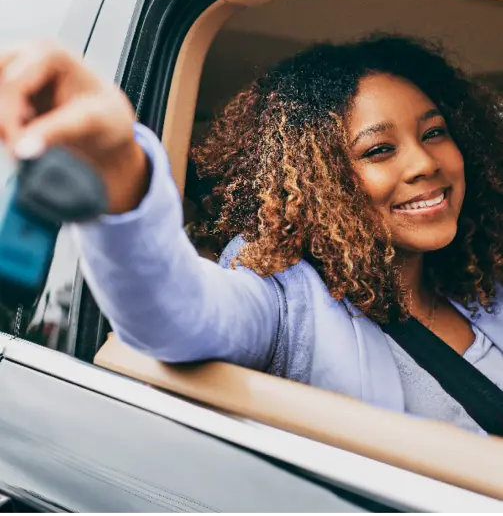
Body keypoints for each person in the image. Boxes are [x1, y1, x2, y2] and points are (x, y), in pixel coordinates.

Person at [1, 35, 503, 435]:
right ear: (318, 178)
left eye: (434, 132)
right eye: (378, 151)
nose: (424, 164)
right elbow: (178, 314)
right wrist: (123, 173)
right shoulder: (285, 298)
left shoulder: (482, 282)